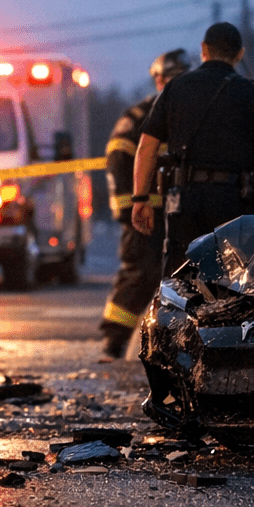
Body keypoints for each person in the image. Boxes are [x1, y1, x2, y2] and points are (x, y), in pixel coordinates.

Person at [130, 22, 254, 279]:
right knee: (235, 281)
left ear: (203, 49)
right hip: (236, 205)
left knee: (182, 281)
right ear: (240, 54)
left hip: (184, 203)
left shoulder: (175, 88)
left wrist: (140, 199)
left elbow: (147, 146)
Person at [99, 48, 190, 360]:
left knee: (183, 278)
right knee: (142, 273)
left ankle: (174, 345)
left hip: (183, 213)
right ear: (158, 80)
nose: (177, 84)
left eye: (183, 78)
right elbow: (118, 156)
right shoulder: (139, 116)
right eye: (172, 78)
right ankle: (113, 342)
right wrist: (128, 207)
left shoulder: (196, 114)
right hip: (146, 214)